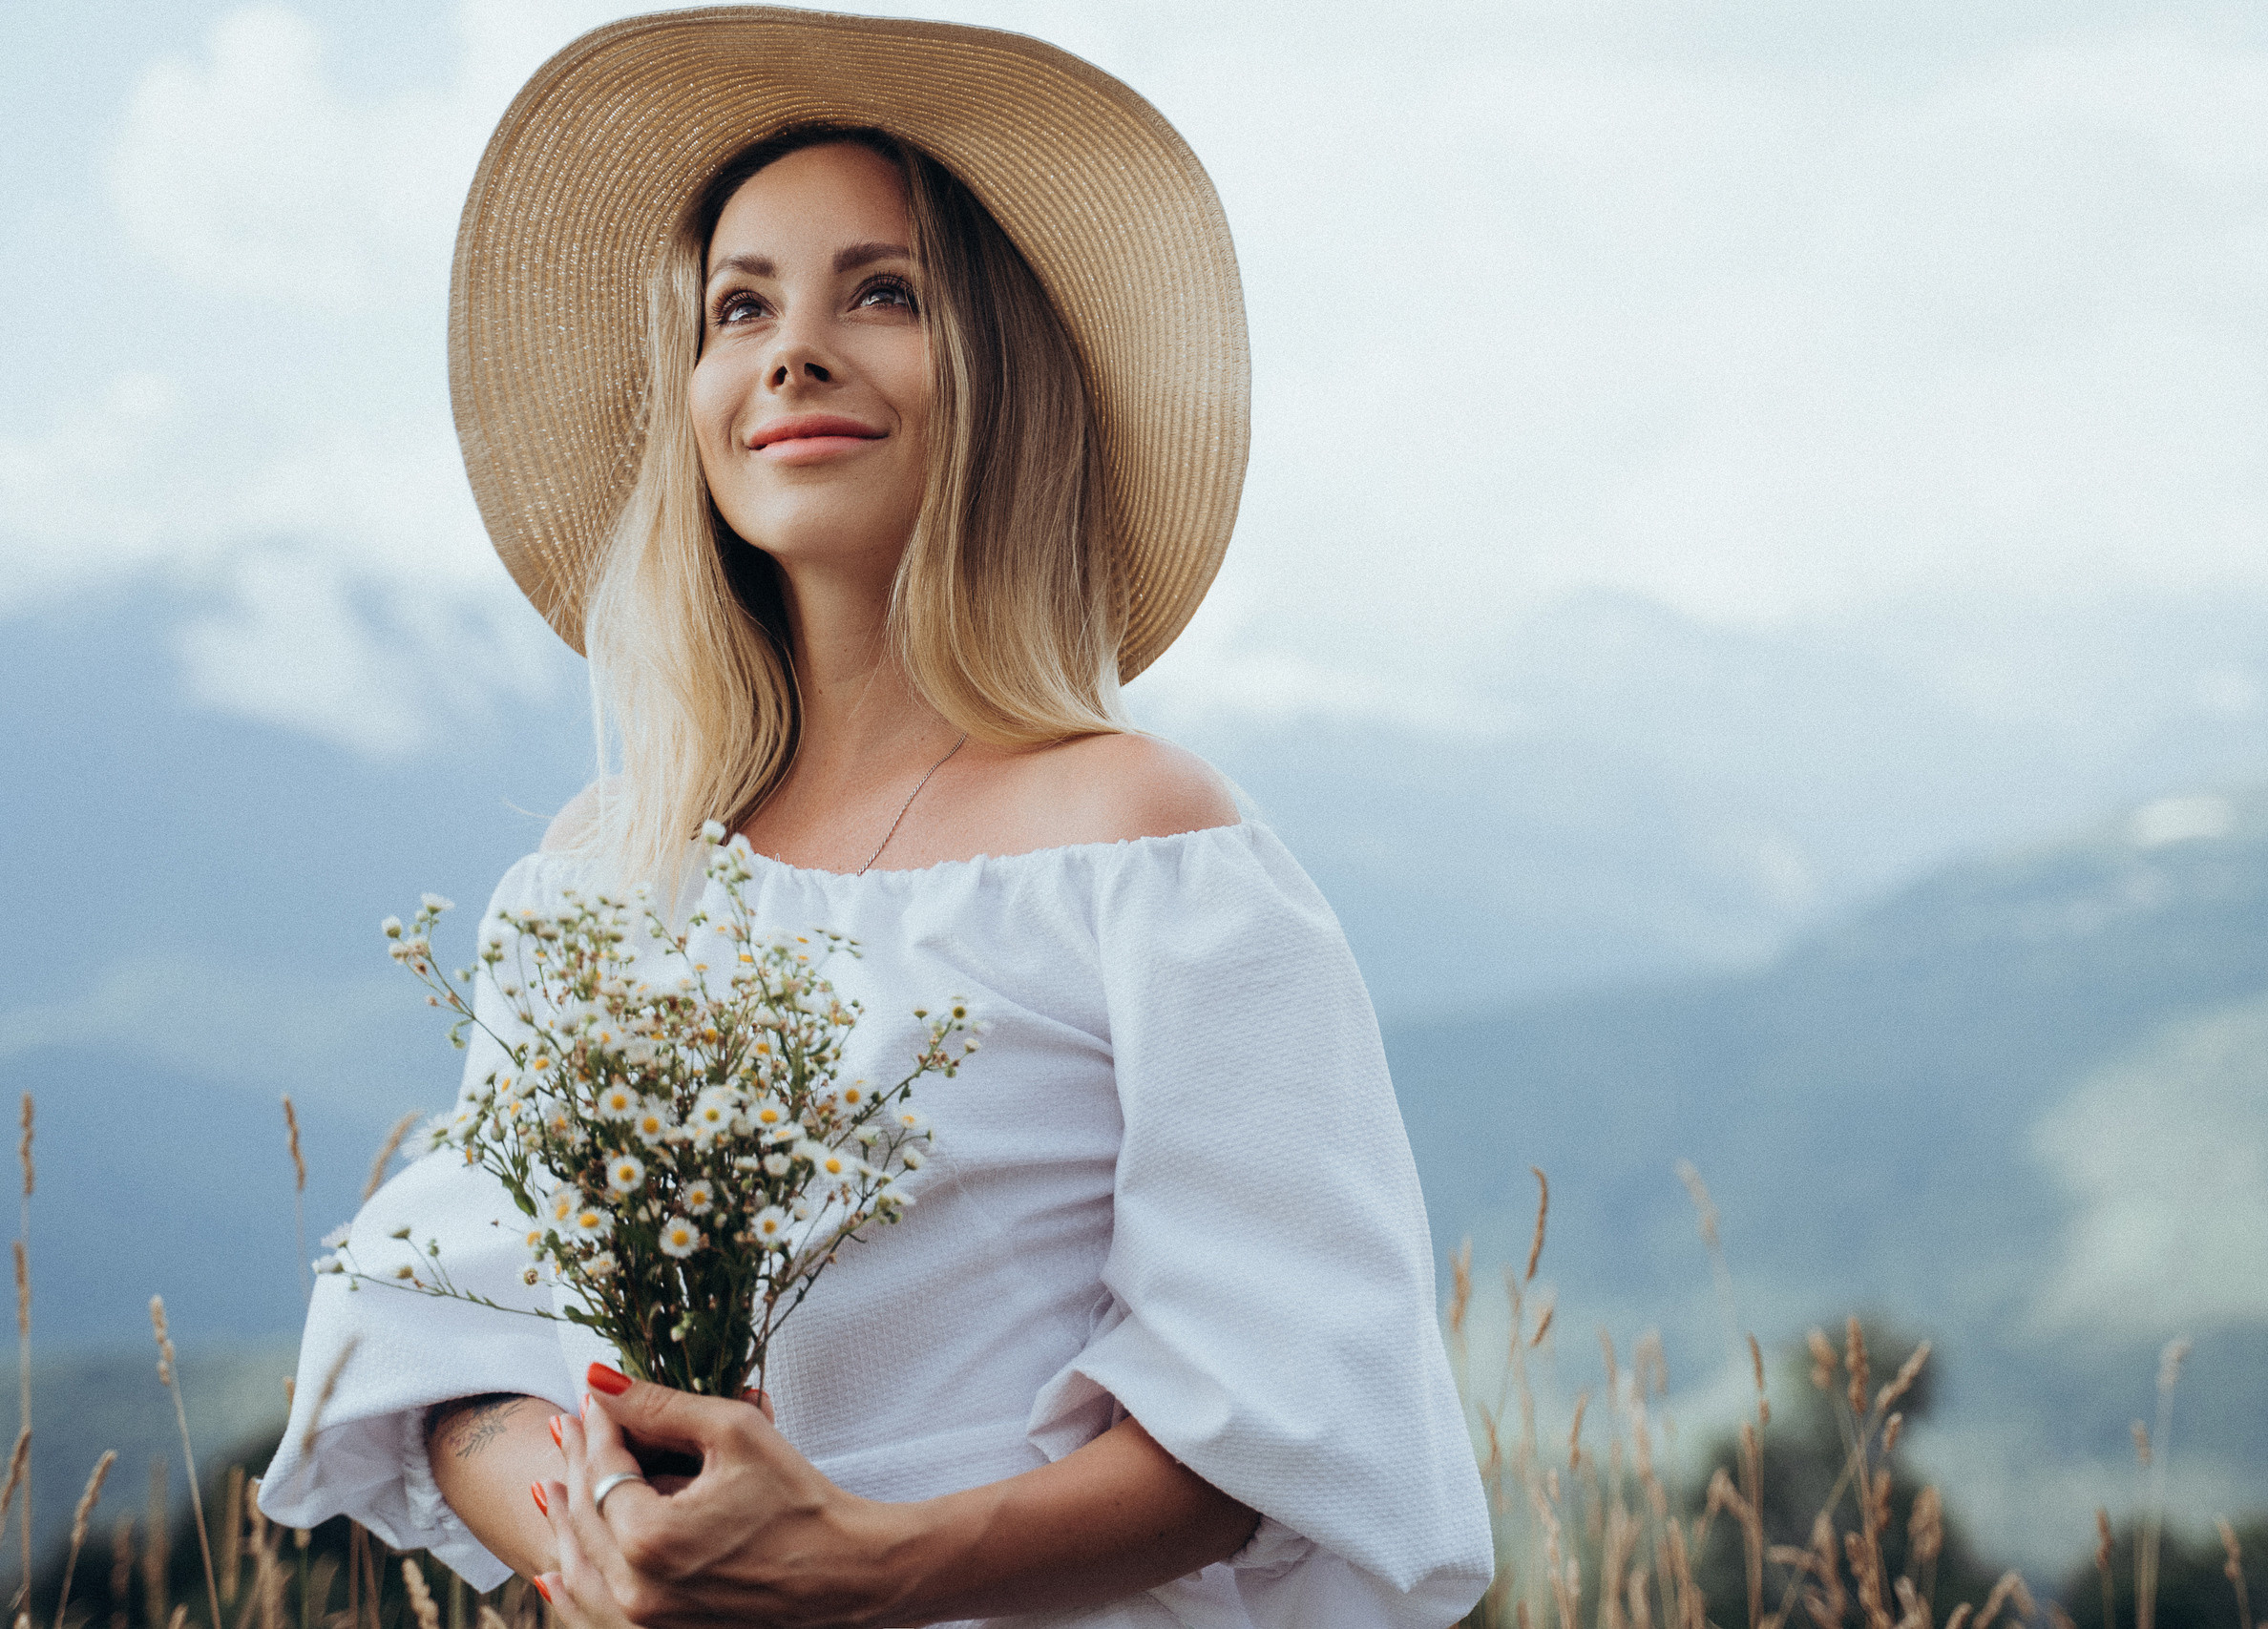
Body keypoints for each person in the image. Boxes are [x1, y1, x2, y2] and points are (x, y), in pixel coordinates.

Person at [258, 10, 1492, 1626]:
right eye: (741, 306)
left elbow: (1286, 1406)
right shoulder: (603, 874)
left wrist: (870, 1567)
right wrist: (603, 1543)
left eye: (883, 293)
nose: (795, 350)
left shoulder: (1145, 847)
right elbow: (447, 1342)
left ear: (1001, 375)